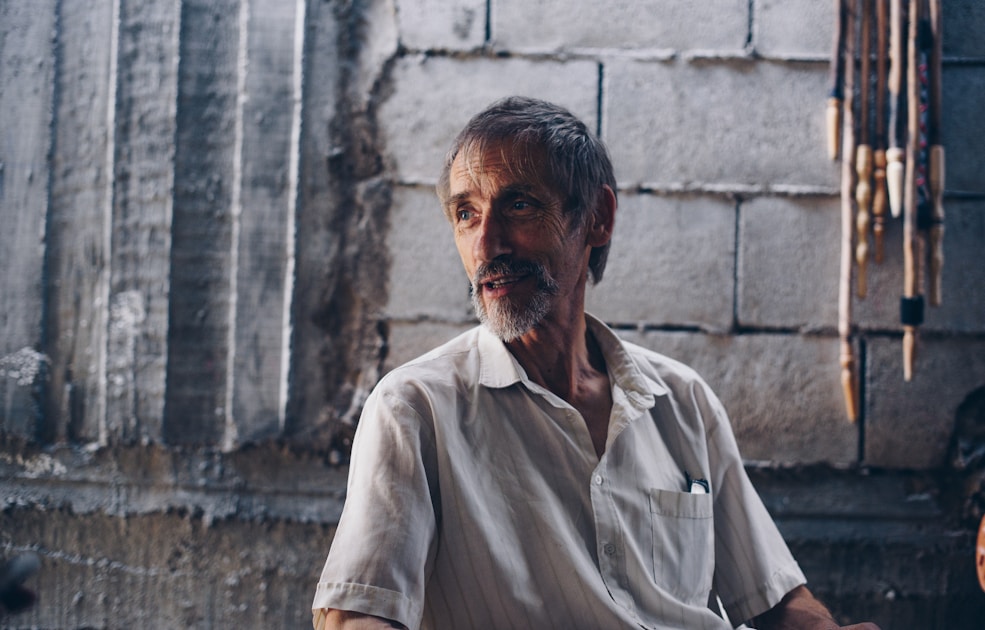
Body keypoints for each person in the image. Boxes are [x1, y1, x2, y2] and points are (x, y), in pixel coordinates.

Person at [312, 96, 880, 630]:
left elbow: (776, 599)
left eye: (519, 204)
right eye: (466, 213)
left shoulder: (682, 400)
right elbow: (357, 613)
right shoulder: (415, 408)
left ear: (598, 218)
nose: (487, 244)